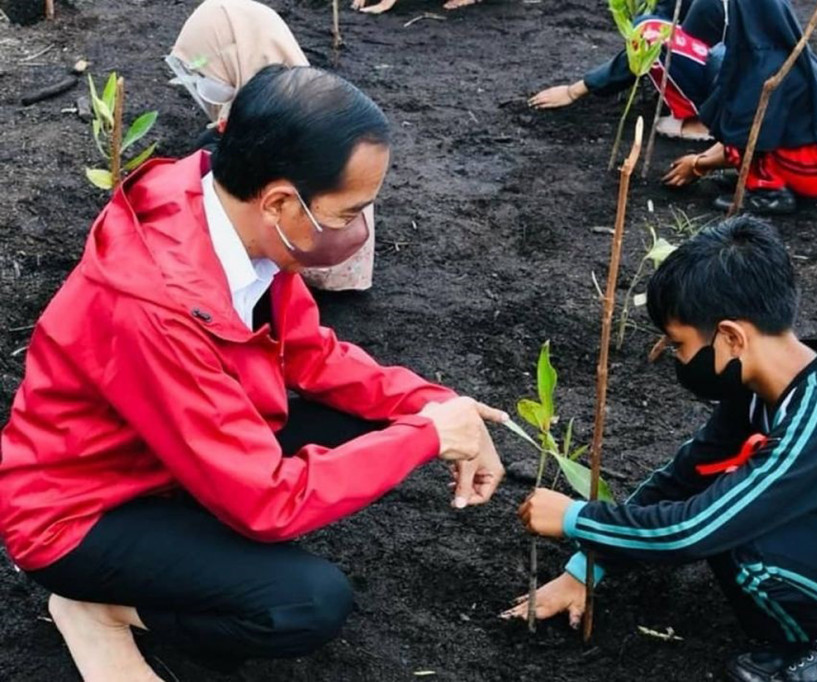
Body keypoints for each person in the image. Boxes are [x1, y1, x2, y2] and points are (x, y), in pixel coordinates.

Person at [0, 65, 507, 681]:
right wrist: (426, 437)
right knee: (305, 604)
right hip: (83, 511)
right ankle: (97, 609)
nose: (357, 228)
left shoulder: (236, 226)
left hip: (171, 456)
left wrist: (436, 406)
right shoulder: (156, 306)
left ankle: (171, 557)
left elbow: (312, 355)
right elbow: (267, 503)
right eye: (349, 212)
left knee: (375, 424)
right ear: (280, 202)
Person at [505, 217, 817, 682]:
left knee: (744, 536)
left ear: (732, 337)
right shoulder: (769, 389)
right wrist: (585, 568)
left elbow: (696, 529)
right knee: (730, 497)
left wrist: (577, 518)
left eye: (678, 344)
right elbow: (684, 478)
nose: (676, 358)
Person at [167, 0, 375, 292]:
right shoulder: (317, 108)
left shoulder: (277, 137)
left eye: (203, 68)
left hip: (291, 270)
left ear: (236, 56)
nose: (201, 79)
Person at [662, 0, 817, 215]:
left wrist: (699, 165)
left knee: (746, 131)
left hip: (814, 170)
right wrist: (702, 160)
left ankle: (770, 193)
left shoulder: (765, 71)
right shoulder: (779, 49)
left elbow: (748, 139)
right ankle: (763, 175)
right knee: (739, 126)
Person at [529, 0, 727, 142]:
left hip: (733, 78)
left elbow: (649, 41)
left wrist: (575, 90)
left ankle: (706, 122)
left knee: (647, 31)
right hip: (731, 68)